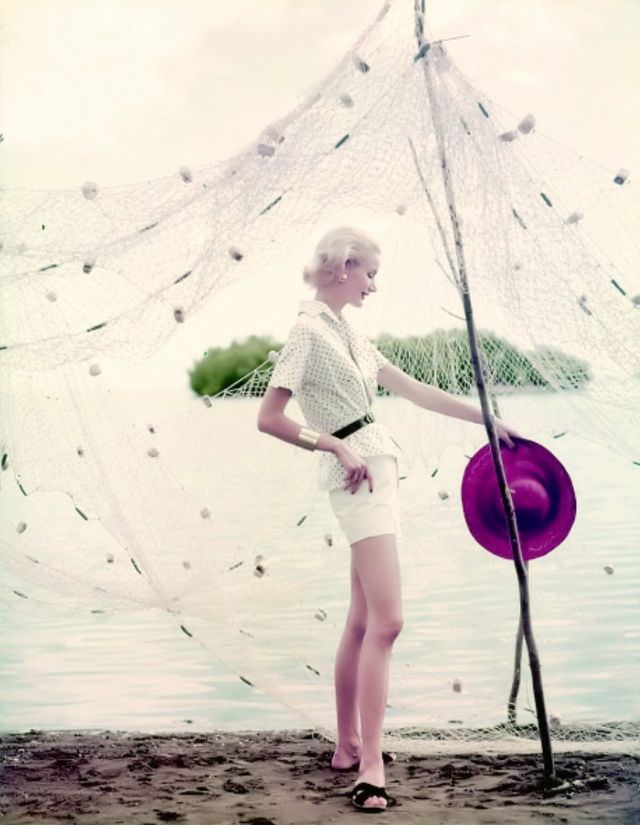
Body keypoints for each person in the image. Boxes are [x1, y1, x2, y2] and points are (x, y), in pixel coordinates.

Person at [257, 226, 520, 812]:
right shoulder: (306, 333)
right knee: (389, 622)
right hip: (357, 477)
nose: (374, 285)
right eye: (370, 273)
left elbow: (418, 391)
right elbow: (269, 418)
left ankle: (349, 746)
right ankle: (371, 765)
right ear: (345, 265)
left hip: (381, 470)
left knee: (361, 620)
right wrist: (335, 446)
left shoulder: (348, 331)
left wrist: (488, 420)